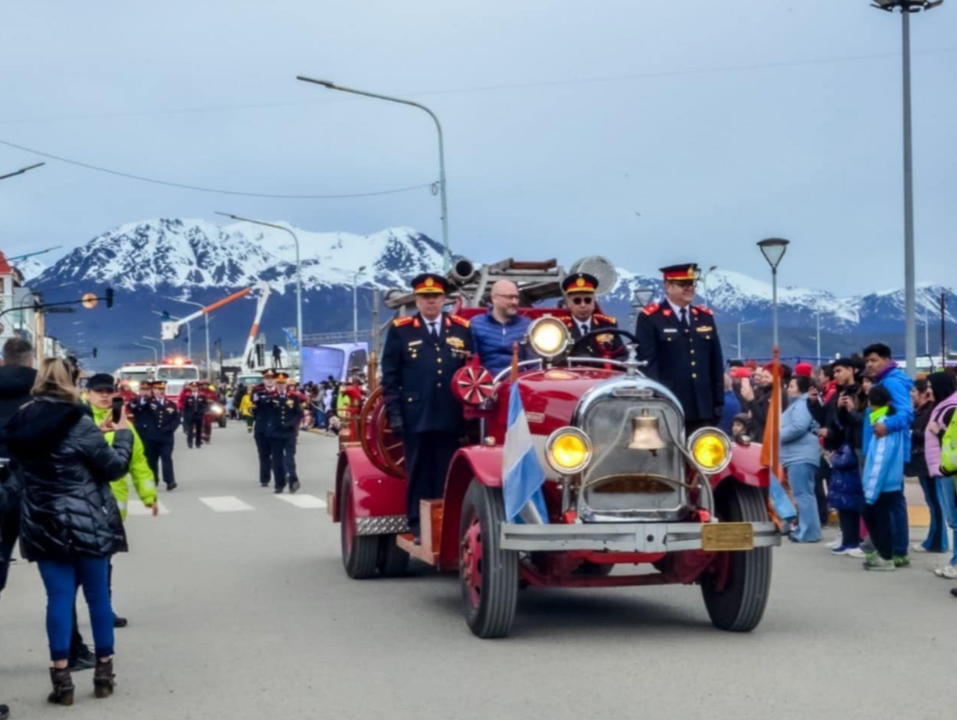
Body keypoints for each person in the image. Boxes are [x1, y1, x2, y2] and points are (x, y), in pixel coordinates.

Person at [4, 358, 134, 703]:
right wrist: (121, 435)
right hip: (86, 520)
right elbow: (115, 468)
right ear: (70, 382)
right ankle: (104, 672)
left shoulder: (22, 419)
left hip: (42, 522)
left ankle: (61, 679)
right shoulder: (77, 419)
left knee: (58, 599)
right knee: (97, 597)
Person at [382, 273, 474, 543]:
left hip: (451, 415)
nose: (430, 302)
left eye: (435, 297)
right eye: (425, 297)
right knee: (419, 473)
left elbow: (470, 371)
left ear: (444, 299)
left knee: (448, 473)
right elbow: (390, 377)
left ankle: (447, 528)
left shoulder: (460, 328)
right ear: (417, 300)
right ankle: (419, 526)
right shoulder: (401, 330)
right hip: (415, 416)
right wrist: (395, 415)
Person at [85, 373, 158, 629]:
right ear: (88, 392)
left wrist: (149, 495)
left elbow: (137, 460)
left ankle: (105, 608)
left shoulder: (122, 422)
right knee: (78, 563)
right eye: (99, 391)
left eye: (108, 391)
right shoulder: (78, 419)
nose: (104, 396)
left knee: (105, 561)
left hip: (113, 503)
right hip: (83, 500)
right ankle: (71, 613)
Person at [635, 264, 724, 434]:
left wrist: (718, 402)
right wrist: (655, 401)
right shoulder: (651, 318)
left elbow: (715, 362)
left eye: (691, 284)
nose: (689, 289)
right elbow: (648, 365)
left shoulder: (704, 317)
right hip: (669, 403)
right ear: (668, 286)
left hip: (702, 405)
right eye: (683, 285)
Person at [861, 343, 913, 567]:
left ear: (886, 359)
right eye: (867, 362)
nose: (869, 365)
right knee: (888, 503)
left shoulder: (892, 382)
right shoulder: (883, 382)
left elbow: (905, 412)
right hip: (880, 446)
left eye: (873, 360)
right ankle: (888, 547)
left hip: (888, 452)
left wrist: (887, 425)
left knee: (891, 502)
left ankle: (896, 550)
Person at [0, 338, 35, 601]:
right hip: (32, 483)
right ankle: (69, 638)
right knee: (56, 567)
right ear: (30, 360)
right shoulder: (43, 390)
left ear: (3, 359)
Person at [861, 385, 906, 571]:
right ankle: (885, 554)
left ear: (871, 402)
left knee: (879, 520)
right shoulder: (889, 421)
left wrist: (870, 490)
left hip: (882, 483)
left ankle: (885, 556)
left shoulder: (883, 425)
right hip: (890, 482)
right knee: (882, 519)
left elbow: (880, 459)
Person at [780, 376, 822, 543]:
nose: (789, 389)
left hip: (800, 455)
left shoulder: (802, 404)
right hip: (798, 455)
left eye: (791, 386)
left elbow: (799, 426)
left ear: (800, 389)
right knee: (804, 494)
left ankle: (808, 532)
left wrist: (777, 435)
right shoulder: (800, 403)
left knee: (803, 494)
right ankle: (808, 529)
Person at [924, 370, 957, 580]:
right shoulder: (942, 406)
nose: (928, 391)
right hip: (942, 468)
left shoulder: (949, 409)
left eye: (930, 387)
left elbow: (950, 441)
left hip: (947, 470)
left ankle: (955, 563)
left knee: (954, 520)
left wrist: (938, 431)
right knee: (952, 519)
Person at [908, 379, 945, 554]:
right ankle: (933, 539)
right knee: (932, 502)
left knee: (934, 502)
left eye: (914, 391)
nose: (911, 395)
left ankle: (937, 541)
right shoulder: (921, 411)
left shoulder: (932, 410)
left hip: (928, 462)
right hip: (923, 462)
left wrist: (912, 433)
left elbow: (928, 434)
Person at [469, 279, 531, 377]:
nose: (514, 302)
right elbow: (472, 363)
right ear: (494, 299)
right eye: (509, 297)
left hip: (519, 386)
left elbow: (534, 364)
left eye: (516, 297)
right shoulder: (476, 324)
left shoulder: (527, 325)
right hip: (488, 385)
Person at [560, 272, 624, 359]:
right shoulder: (560, 328)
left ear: (594, 302)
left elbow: (623, 355)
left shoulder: (607, 325)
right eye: (577, 301)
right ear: (568, 303)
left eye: (587, 300)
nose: (583, 305)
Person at [268, 373, 304, 494]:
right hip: (275, 432)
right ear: (275, 384)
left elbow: (299, 414)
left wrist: (292, 423)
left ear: (286, 384)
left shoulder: (293, 397)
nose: (281, 386)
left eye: (283, 383)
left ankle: (293, 480)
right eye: (278, 383)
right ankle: (279, 483)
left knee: (290, 458)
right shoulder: (270, 397)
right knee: (277, 460)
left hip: (289, 433)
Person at [142, 380, 180, 491]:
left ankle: (170, 481)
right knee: (152, 460)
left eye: (163, 389)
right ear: (153, 391)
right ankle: (153, 480)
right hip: (152, 437)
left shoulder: (171, 404)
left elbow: (176, 419)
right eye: (158, 389)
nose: (161, 391)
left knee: (167, 458)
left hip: (166, 437)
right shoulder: (148, 403)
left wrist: (169, 429)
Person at [251, 370, 278, 487]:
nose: (270, 380)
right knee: (263, 454)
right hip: (262, 427)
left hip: (277, 427)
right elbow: (255, 400)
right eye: (267, 378)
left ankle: (279, 476)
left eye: (272, 378)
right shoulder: (258, 391)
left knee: (277, 453)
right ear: (263, 379)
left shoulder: (281, 391)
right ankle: (265, 478)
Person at [180, 381, 208, 449]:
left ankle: (198, 443)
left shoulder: (202, 396)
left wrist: (202, 411)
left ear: (198, 388)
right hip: (190, 416)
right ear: (191, 388)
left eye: (195, 387)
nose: (194, 388)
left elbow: (205, 405)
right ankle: (190, 442)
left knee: (199, 430)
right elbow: (185, 407)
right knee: (190, 430)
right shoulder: (188, 396)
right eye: (193, 387)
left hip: (199, 416)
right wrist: (185, 416)